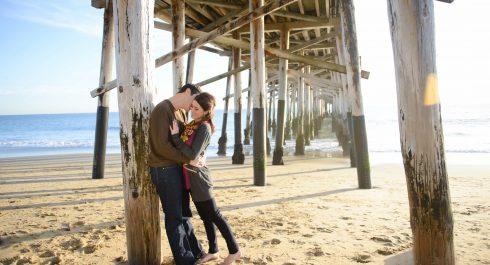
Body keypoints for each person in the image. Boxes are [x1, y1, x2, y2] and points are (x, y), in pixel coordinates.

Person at [169, 92, 241, 265]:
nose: (191, 111)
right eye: (192, 107)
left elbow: (192, 153)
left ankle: (234, 251)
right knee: (205, 216)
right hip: (190, 177)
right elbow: (191, 154)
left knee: (215, 215)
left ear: (206, 111)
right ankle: (214, 251)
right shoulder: (194, 124)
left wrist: (174, 137)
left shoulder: (204, 127)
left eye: (196, 109)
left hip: (199, 179)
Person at [149, 83, 204, 265]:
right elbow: (161, 146)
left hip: (177, 168)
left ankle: (196, 252)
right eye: (194, 101)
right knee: (174, 217)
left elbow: (186, 141)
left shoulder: (180, 112)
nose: (193, 106)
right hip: (164, 169)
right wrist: (187, 160)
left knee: (185, 213)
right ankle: (185, 260)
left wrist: (199, 154)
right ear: (187, 91)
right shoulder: (162, 110)